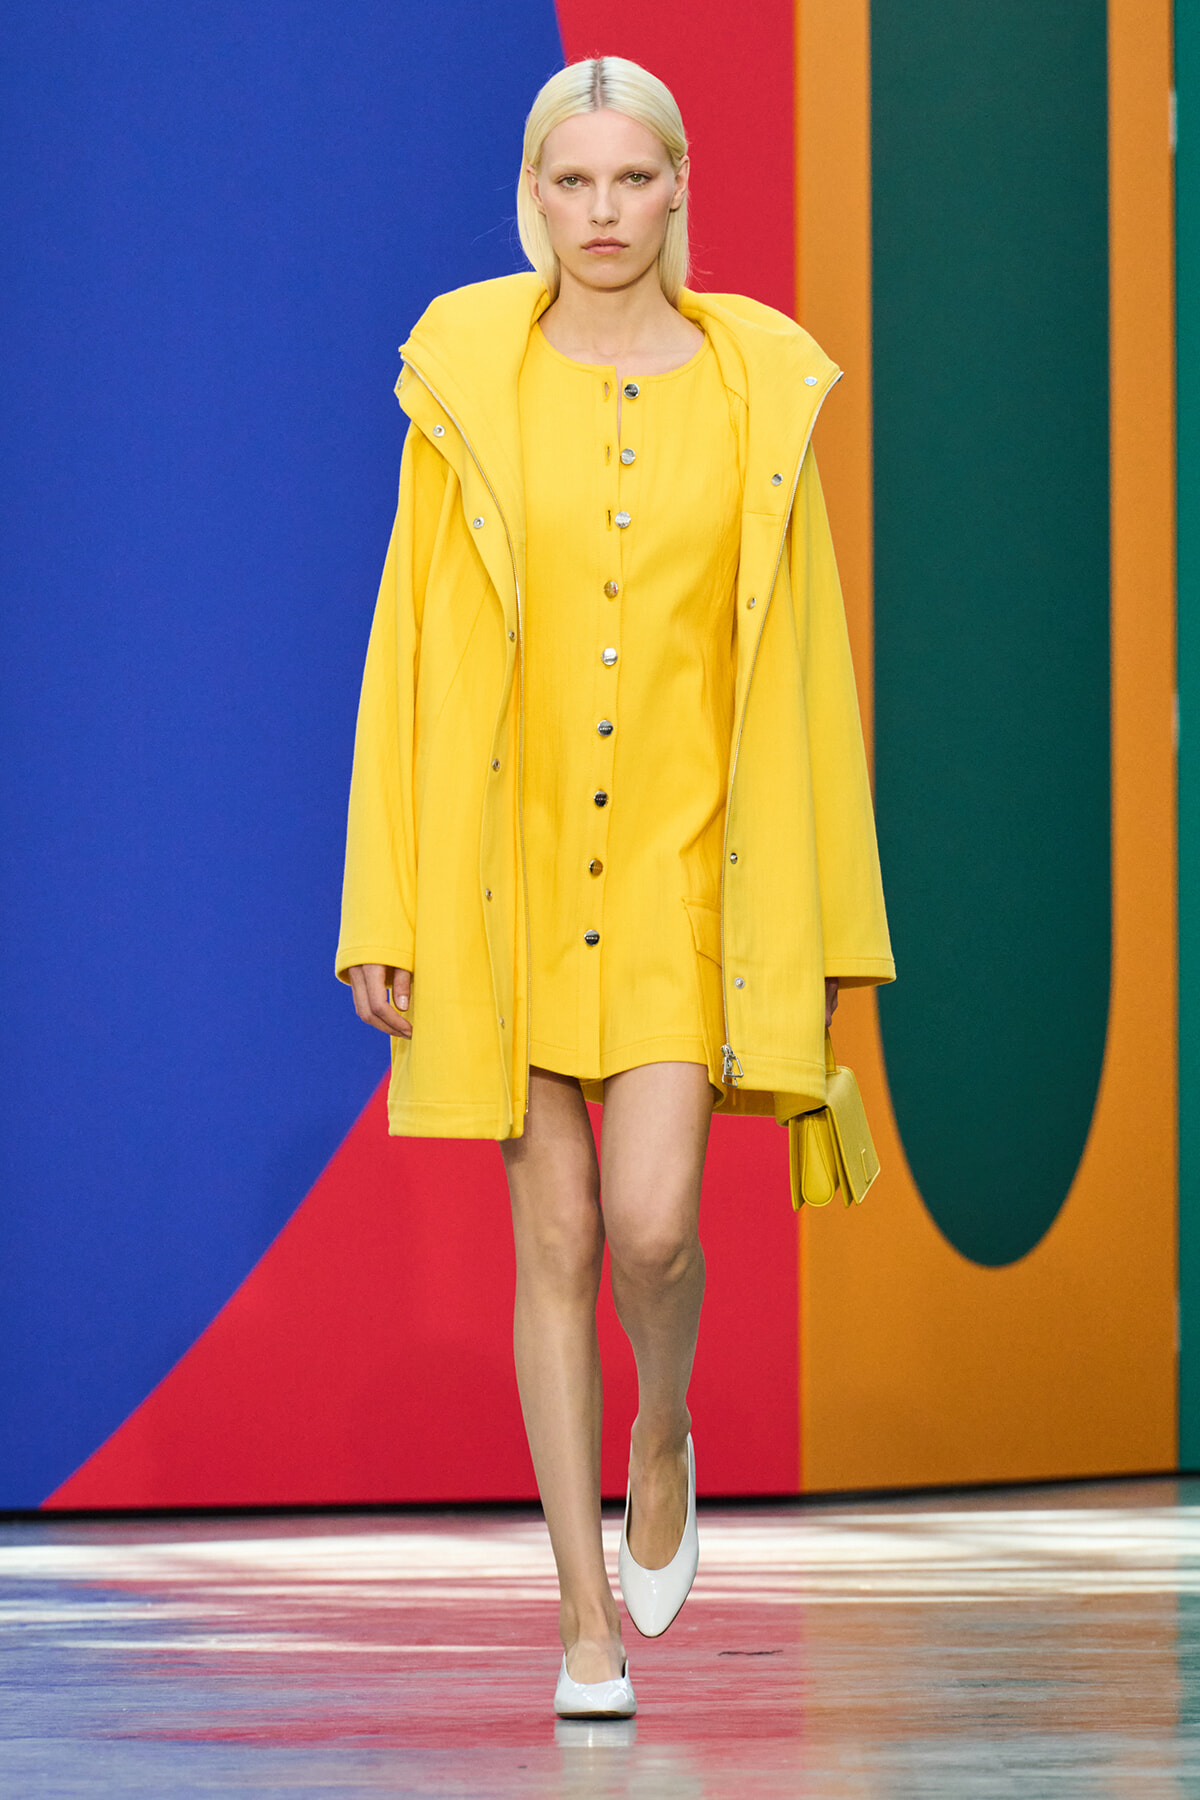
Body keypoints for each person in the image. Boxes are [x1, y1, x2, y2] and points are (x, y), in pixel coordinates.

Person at [336, 55, 894, 1719]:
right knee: (557, 1233)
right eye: (569, 185)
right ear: (533, 195)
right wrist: (385, 904)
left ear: (679, 188)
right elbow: (406, 648)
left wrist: (828, 928)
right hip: (503, 874)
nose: (599, 216)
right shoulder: (470, 390)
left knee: (655, 1223)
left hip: (678, 879)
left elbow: (802, 674)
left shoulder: (751, 394)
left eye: (629, 183)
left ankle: (664, 1430)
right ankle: (585, 1622)